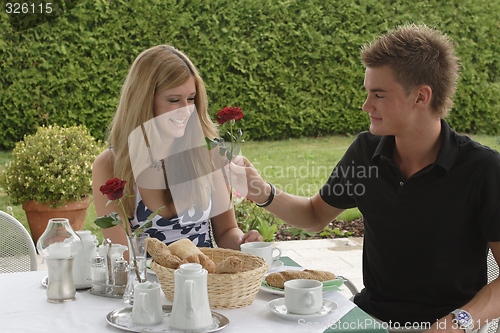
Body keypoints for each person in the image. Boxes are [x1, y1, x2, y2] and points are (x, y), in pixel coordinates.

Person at [229, 24, 500, 332]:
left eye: (379, 95)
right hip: (369, 320)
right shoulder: (366, 151)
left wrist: (456, 323)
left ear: (421, 96)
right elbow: (315, 215)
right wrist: (260, 191)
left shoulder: (483, 169)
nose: (366, 106)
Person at [92, 45, 262, 251]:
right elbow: (121, 253)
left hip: (204, 278)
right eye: (174, 100)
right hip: (147, 282)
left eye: (191, 98)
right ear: (144, 101)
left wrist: (243, 242)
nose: (187, 110)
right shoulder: (111, 164)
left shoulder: (206, 153)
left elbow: (226, 231)